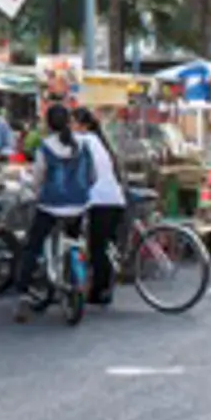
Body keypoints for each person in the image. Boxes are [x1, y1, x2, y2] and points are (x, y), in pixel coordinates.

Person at [14, 103, 95, 320]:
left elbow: (38, 178)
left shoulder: (45, 147)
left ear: (48, 124)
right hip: (79, 206)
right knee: (75, 239)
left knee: (32, 246)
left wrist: (33, 188)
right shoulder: (82, 145)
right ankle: (73, 273)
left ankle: (22, 294)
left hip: (51, 206)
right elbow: (92, 176)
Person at [73, 108, 126, 305]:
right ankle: (105, 288)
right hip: (114, 199)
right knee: (104, 246)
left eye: (73, 123)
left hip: (99, 200)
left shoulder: (83, 140)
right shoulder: (98, 141)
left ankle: (99, 292)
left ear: (83, 126)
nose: (70, 127)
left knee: (97, 247)